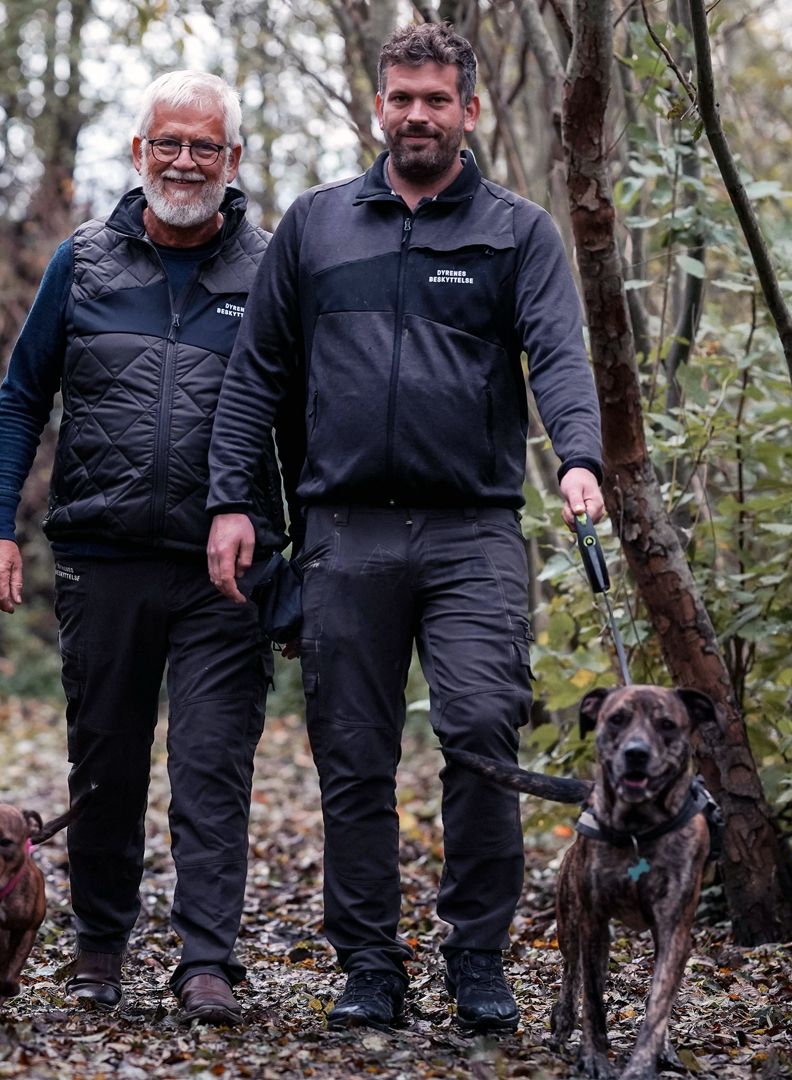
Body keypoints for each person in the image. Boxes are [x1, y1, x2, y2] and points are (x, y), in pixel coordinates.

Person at [205, 24, 606, 1033]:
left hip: (473, 532)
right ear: (378, 105)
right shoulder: (315, 228)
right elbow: (255, 373)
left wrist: (580, 456)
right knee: (353, 755)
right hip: (344, 533)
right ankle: (369, 966)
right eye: (401, 98)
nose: (417, 115)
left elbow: (558, 354)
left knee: (479, 732)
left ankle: (477, 959)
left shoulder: (518, 234)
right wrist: (232, 505)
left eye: (437, 99)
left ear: (470, 111)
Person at [0, 71, 288, 1026]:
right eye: (167, 145)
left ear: (234, 162)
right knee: (103, 765)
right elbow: (22, 396)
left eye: (205, 147)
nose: (184, 162)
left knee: (212, 765)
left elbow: (303, 422)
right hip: (102, 558)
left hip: (225, 570)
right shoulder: (84, 262)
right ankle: (99, 949)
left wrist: (303, 562)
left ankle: (206, 961)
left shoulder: (273, 270)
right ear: (139, 152)